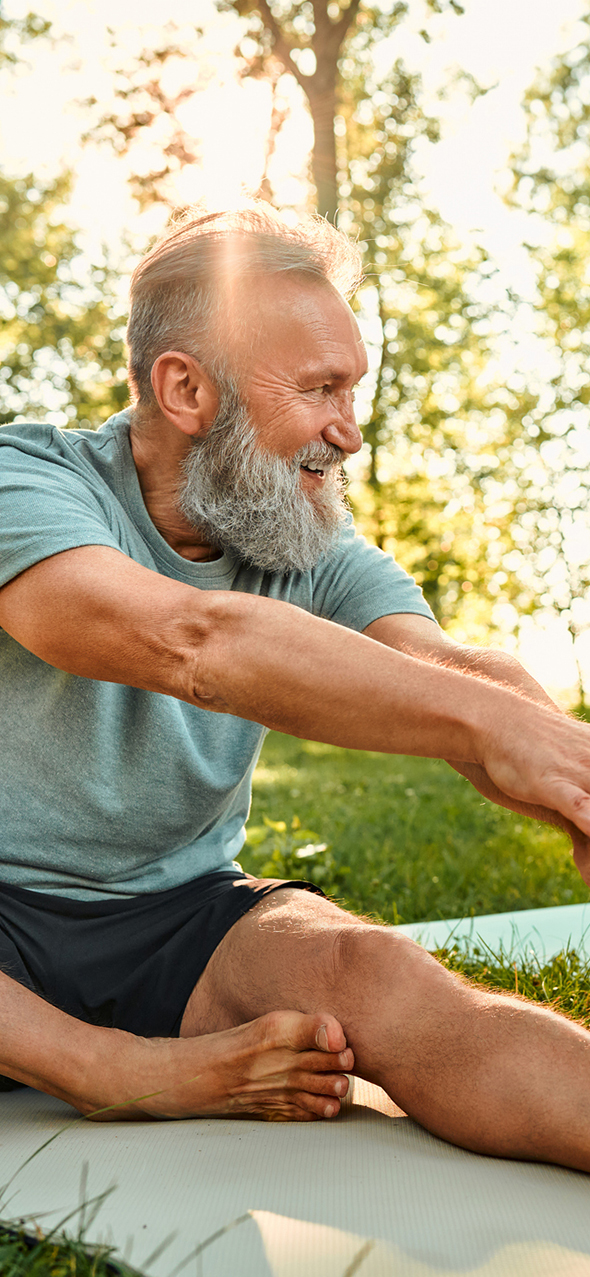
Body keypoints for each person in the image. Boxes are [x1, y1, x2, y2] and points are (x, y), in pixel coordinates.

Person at [2, 205, 590, 1172]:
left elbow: (451, 676)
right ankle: (111, 1070)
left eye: (353, 389)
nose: (349, 433)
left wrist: (568, 778)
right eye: (321, 389)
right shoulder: (25, 485)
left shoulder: (300, 534)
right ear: (185, 388)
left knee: (376, 971)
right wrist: (483, 722)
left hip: (176, 915)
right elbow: (190, 640)